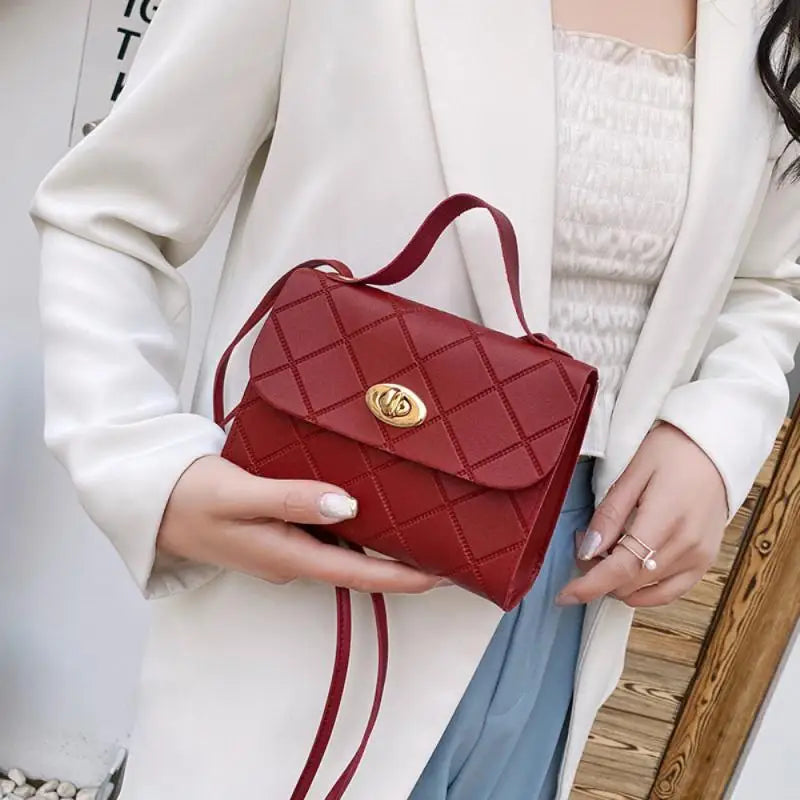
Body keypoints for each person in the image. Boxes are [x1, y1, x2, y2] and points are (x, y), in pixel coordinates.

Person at [29, 0, 800, 798]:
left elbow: (766, 277)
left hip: (567, 577)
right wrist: (143, 463)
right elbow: (111, 213)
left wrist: (712, 435)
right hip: (311, 556)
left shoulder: (769, 17)